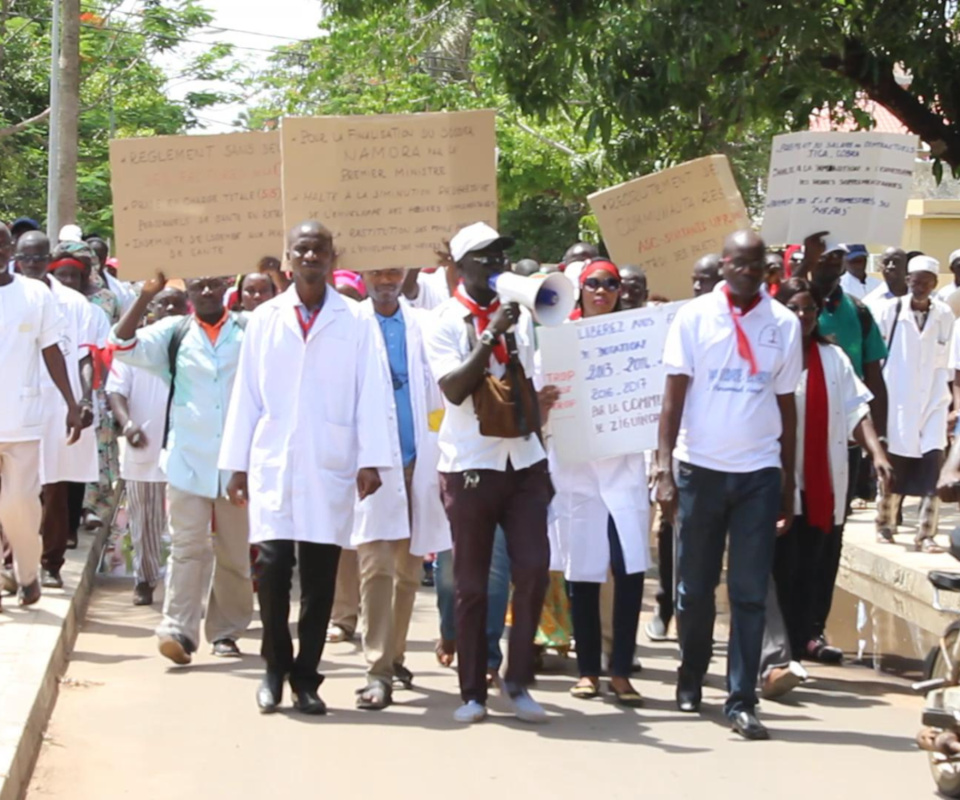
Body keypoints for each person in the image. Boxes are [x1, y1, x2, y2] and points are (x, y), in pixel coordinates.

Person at [220, 220, 392, 715]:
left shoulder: (356, 319)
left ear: (333, 256)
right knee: (273, 570)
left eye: (319, 249)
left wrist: (372, 459)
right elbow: (246, 394)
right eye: (302, 250)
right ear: (289, 258)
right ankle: (274, 669)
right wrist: (235, 464)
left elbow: (372, 390)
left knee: (319, 579)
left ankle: (306, 678)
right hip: (274, 459)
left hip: (330, 459)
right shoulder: (266, 318)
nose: (311, 257)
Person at [656, 229, 801, 740]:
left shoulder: (783, 324)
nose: (747, 271)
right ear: (723, 265)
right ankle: (691, 672)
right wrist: (663, 469)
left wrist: (788, 481)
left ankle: (741, 700)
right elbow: (672, 398)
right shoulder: (693, 318)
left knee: (749, 591)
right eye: (738, 263)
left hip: (758, 473)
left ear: (766, 270)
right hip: (699, 469)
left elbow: (787, 406)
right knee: (694, 589)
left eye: (756, 264)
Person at [424, 221, 560, 724]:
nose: (498, 264)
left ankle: (517, 681)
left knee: (533, 569)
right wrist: (489, 334)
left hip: (522, 461)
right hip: (471, 464)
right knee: (472, 584)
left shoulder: (519, 316)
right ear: (461, 267)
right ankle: (473, 691)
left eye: (501, 255)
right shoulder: (442, 320)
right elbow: (454, 389)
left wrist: (539, 409)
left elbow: (521, 380)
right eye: (486, 257)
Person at [110, 273, 253, 666]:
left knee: (234, 552)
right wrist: (146, 296)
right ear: (187, 290)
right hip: (187, 458)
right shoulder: (173, 332)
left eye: (213, 284)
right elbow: (120, 344)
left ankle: (226, 632)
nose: (206, 291)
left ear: (226, 287)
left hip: (237, 463)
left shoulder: (248, 328)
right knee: (187, 548)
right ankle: (177, 630)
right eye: (198, 285)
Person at [759, 279, 892, 698]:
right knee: (778, 568)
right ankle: (776, 654)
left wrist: (876, 452)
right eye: (794, 309)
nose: (802, 316)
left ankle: (802, 643)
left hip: (822, 482)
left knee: (813, 565)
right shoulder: (767, 355)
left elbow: (857, 409)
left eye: (809, 310)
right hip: (776, 479)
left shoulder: (833, 358)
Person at [351, 266, 451, 710]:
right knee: (376, 567)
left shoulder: (425, 323)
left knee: (409, 572)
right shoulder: (349, 326)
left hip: (421, 460)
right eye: (378, 271)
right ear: (364, 274)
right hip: (372, 462)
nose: (386, 280)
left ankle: (394, 656)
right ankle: (376, 669)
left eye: (394, 271)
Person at [554, 259, 648, 706]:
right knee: (584, 573)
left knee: (628, 571)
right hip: (579, 474)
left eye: (611, 284)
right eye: (593, 283)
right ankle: (588, 670)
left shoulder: (636, 336)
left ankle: (622, 670)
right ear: (580, 288)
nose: (602, 291)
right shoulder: (560, 337)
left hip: (623, 472)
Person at [803, 232, 888, 662]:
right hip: (791, 446)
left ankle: (813, 630)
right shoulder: (789, 305)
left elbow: (873, 381)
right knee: (788, 537)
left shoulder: (860, 312)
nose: (832, 263)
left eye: (838, 256)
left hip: (842, 447)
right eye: (825, 256)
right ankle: (782, 628)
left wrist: (879, 445)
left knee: (829, 536)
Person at [0, 223, 83, 609]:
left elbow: (52, 350)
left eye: (2, 246)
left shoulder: (34, 294)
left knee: (19, 504)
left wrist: (71, 403)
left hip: (21, 418)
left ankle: (28, 573)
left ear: (11, 251)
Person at [15, 232, 100, 589]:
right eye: (26, 258)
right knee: (16, 489)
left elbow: (83, 356)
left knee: (54, 486)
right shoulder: (10, 294)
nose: (32, 265)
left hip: (56, 403)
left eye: (39, 258)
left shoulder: (73, 302)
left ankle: (51, 563)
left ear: (49, 259)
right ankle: (14, 562)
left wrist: (82, 401)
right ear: (16, 258)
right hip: (14, 404)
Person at [647, 253, 720, 642]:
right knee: (670, 529)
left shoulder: (733, 326)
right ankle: (665, 604)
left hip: (717, 454)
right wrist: (661, 462)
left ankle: (695, 616)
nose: (696, 287)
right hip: (677, 449)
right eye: (694, 279)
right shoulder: (681, 321)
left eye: (704, 279)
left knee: (707, 543)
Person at [106, 288, 189, 606]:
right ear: (151, 309)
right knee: (144, 521)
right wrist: (127, 424)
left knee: (186, 523)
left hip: (188, 447)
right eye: (163, 303)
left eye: (176, 304)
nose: (169, 308)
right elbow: (116, 391)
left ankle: (183, 588)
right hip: (145, 442)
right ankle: (145, 579)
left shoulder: (196, 344)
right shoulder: (134, 346)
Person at [875, 255, 954, 552]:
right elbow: (877, 358)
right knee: (894, 466)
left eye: (926, 282)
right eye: (916, 281)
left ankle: (926, 534)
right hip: (898, 400)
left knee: (933, 466)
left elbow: (947, 362)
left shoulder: (944, 315)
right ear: (908, 281)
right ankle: (885, 524)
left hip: (934, 402)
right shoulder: (890, 311)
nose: (920, 287)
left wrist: (951, 407)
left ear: (935, 284)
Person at [864, 247, 908, 316]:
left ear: (906, 266)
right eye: (886, 262)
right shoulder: (870, 302)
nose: (890, 266)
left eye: (896, 261)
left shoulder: (921, 297)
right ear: (880, 267)